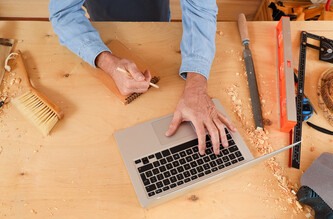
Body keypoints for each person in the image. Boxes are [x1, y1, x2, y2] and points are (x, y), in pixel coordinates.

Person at [49, 0, 237, 155]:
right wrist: (106, 61)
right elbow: (63, 13)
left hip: (156, 23)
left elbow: (200, 8)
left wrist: (196, 85)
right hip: (103, 22)